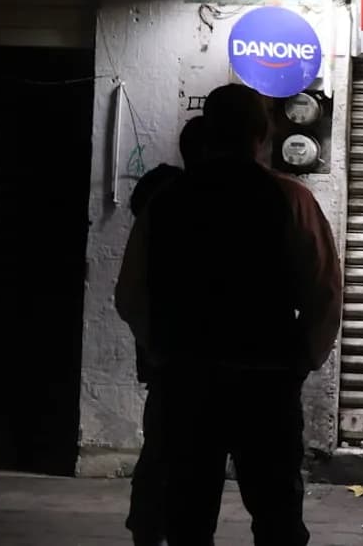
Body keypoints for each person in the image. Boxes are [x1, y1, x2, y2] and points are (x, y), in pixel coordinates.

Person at [115, 84, 343, 545]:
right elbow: (324, 291)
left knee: (187, 516)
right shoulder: (291, 199)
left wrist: (161, 352)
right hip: (267, 383)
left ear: (205, 130)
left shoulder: (167, 202)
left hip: (185, 382)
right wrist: (302, 359)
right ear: (262, 132)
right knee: (277, 514)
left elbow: (130, 294)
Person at [123, 115, 205, 546]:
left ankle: (151, 529)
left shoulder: (160, 222)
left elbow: (130, 298)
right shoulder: (194, 216)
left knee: (160, 457)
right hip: (190, 367)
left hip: (170, 368)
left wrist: (155, 352)